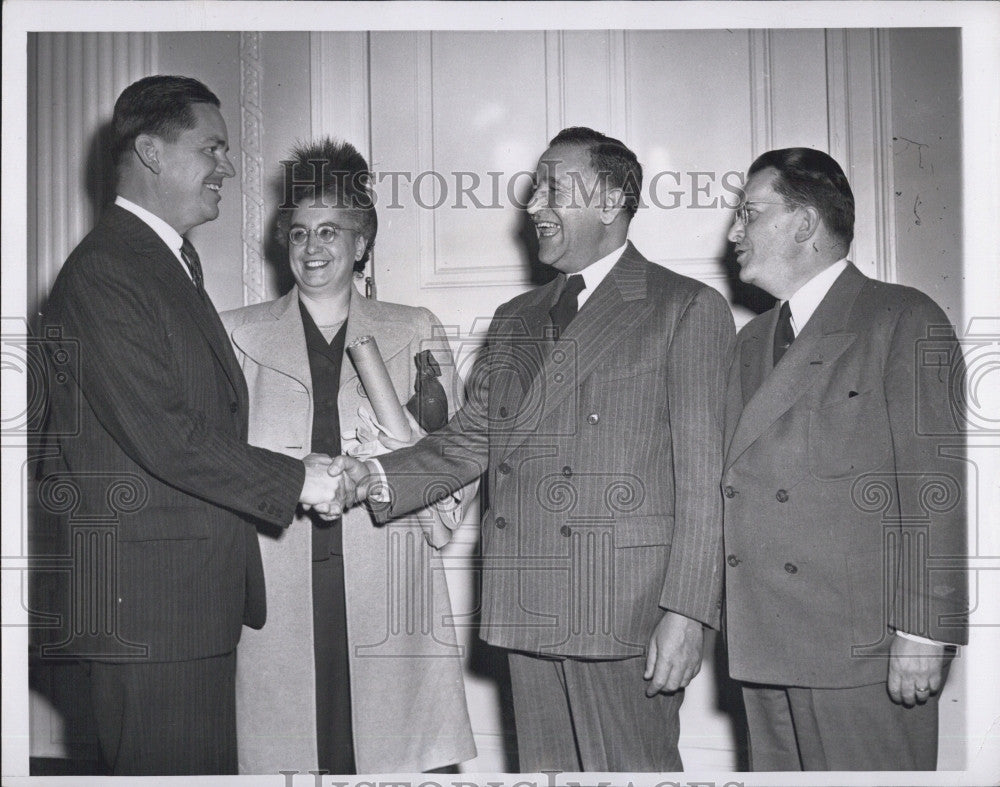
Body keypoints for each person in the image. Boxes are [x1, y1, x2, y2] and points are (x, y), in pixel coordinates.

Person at [332, 127, 736, 772]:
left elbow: (705, 479)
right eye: (534, 186)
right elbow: (470, 440)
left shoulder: (683, 307)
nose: (533, 203)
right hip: (527, 601)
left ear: (610, 203)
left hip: (622, 613)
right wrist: (370, 476)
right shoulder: (516, 316)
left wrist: (688, 614)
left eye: (554, 186)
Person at [39, 75, 345, 776]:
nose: (229, 168)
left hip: (180, 601)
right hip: (149, 612)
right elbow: (166, 435)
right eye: (213, 147)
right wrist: (300, 477)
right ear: (150, 150)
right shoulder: (107, 271)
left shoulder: (164, 262)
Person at [220, 138, 476, 774]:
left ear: (363, 242)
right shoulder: (234, 334)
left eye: (331, 231)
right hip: (274, 586)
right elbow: (215, 462)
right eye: (299, 231)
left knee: (390, 750)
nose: (313, 249)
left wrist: (393, 465)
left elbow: (456, 466)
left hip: (386, 583)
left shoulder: (414, 328)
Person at [721, 147, 968, 770]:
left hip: (864, 649)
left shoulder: (901, 316)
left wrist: (924, 628)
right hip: (765, 644)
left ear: (804, 223)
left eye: (750, 213)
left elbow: (933, 485)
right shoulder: (749, 341)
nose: (734, 232)